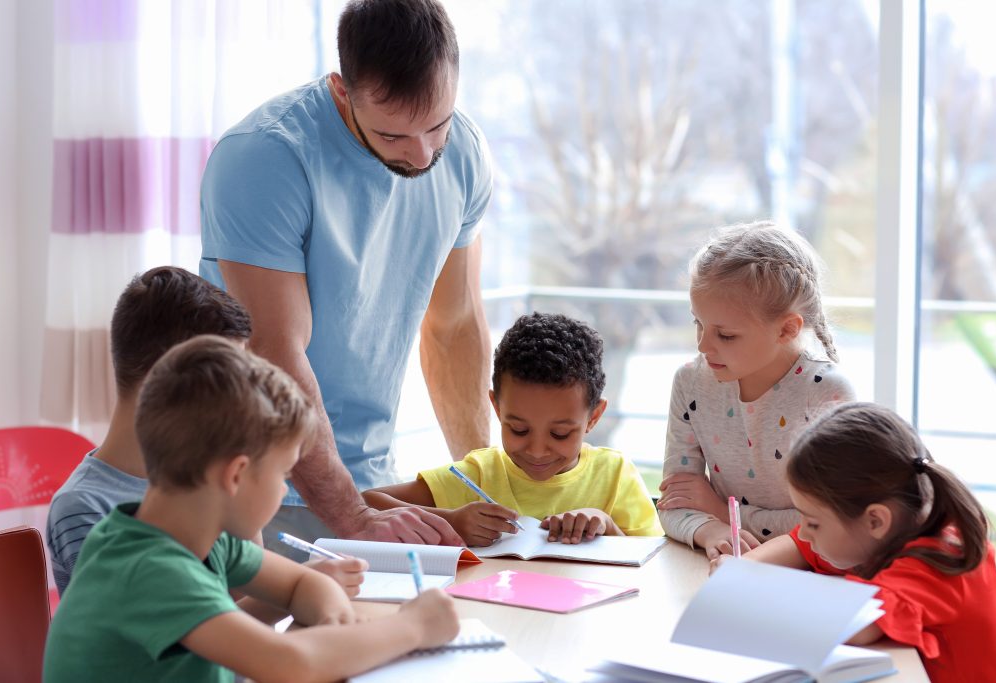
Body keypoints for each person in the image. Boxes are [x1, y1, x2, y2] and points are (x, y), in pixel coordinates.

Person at [200, 0, 488, 549]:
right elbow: (276, 352)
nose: (422, 155)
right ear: (341, 91)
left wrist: (485, 481)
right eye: (393, 137)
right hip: (249, 483)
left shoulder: (466, 153)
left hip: (372, 483)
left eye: (438, 125)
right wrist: (351, 515)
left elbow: (454, 325)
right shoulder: (262, 158)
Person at [43, 336, 460, 683]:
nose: (282, 490)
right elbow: (290, 664)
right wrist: (414, 626)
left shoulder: (196, 536)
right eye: (283, 475)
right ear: (237, 474)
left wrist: (336, 624)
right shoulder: (148, 568)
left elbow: (303, 583)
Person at [45, 267, 365, 598]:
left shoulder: (211, 470)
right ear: (166, 378)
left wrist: (300, 585)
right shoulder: (83, 508)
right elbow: (174, 627)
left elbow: (242, 592)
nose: (243, 398)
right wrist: (297, 590)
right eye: (229, 379)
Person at [735, 402, 996, 682]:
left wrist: (752, 602)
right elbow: (799, 545)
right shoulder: (896, 530)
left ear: (875, 521)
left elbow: (855, 626)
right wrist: (741, 569)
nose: (805, 532)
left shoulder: (937, 563)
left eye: (814, 523)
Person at [363, 313, 663, 546]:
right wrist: (450, 520)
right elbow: (367, 502)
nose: (537, 451)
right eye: (518, 429)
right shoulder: (479, 474)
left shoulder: (615, 475)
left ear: (593, 417)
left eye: (560, 434)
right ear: (497, 408)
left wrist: (606, 526)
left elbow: (654, 563)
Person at [657, 221, 856, 558]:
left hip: (811, 570)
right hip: (723, 565)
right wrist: (710, 531)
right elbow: (675, 500)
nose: (703, 345)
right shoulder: (690, 382)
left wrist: (721, 511)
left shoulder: (826, 393)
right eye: (698, 323)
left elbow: (838, 523)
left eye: (726, 335)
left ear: (787, 329)